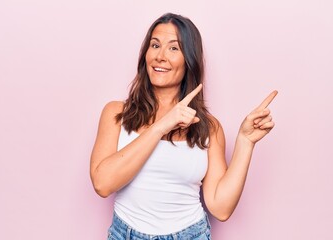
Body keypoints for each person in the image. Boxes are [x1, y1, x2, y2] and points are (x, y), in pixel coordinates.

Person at [90, 13, 277, 240]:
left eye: (173, 48)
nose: (160, 56)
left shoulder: (209, 127)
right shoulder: (116, 113)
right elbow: (102, 184)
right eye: (155, 45)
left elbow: (221, 207)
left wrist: (245, 142)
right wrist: (161, 126)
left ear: (189, 60)